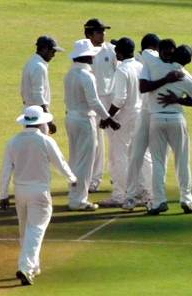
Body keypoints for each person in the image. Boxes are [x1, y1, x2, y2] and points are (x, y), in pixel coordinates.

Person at [0, 106, 77, 286]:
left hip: (20, 192)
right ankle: (25, 267)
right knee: (36, 230)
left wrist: (3, 195)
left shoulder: (13, 141)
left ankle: (33, 266)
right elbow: (60, 163)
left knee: (25, 230)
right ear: (41, 123)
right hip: (39, 192)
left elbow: (5, 171)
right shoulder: (45, 141)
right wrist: (72, 178)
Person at [121, 38, 185, 211]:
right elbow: (144, 85)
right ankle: (131, 196)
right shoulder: (149, 58)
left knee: (155, 158)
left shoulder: (154, 59)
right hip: (146, 113)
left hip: (156, 114)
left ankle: (152, 196)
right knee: (137, 154)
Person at [143, 45, 192, 215]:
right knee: (182, 161)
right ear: (189, 61)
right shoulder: (186, 77)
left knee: (158, 162)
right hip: (176, 119)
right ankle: (186, 199)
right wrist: (178, 99)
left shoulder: (156, 67)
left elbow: (147, 54)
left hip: (156, 119)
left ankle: (159, 201)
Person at [64, 39, 120, 211]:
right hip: (83, 119)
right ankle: (78, 200)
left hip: (71, 118)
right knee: (85, 162)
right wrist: (109, 118)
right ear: (86, 57)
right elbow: (94, 102)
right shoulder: (86, 76)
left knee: (75, 159)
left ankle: (74, 194)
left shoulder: (69, 74)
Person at [97, 37, 143, 207]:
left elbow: (120, 99)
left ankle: (121, 195)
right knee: (137, 155)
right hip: (139, 114)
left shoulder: (122, 70)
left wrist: (107, 117)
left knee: (119, 156)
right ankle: (140, 192)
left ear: (119, 53)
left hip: (125, 116)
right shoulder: (140, 65)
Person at [84, 18, 118, 192]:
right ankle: (93, 180)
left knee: (115, 140)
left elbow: (119, 73)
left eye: (104, 31)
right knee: (95, 142)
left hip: (110, 100)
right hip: (92, 101)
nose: (103, 34)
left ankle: (116, 177)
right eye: (99, 31)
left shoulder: (111, 50)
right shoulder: (83, 52)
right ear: (89, 34)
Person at [20, 35, 64, 134]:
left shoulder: (31, 62)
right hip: (37, 115)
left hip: (29, 111)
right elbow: (38, 95)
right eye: (52, 51)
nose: (53, 55)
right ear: (44, 49)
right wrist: (49, 120)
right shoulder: (39, 67)